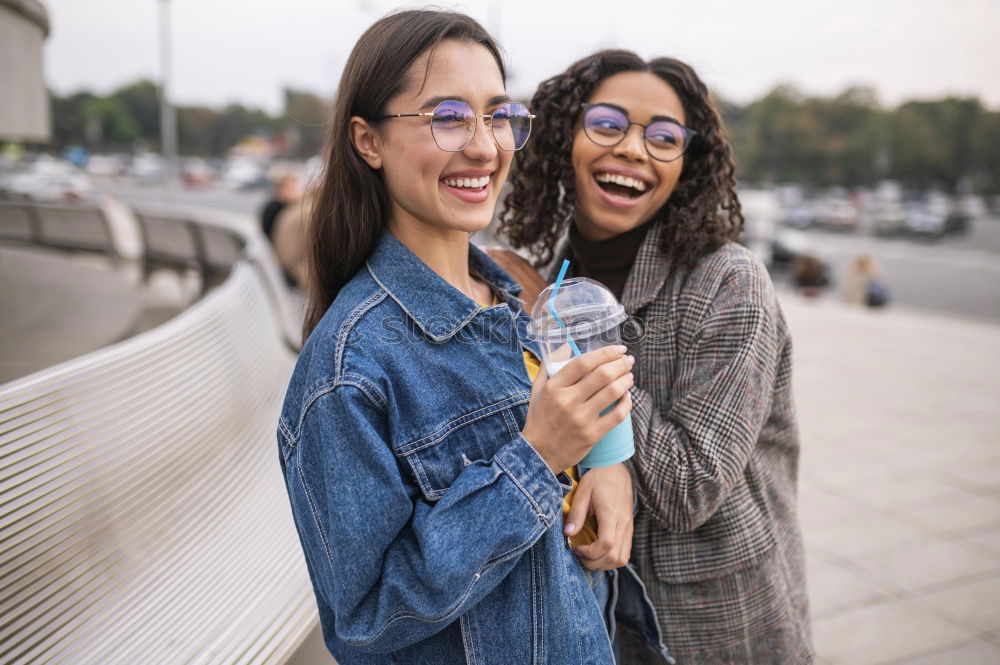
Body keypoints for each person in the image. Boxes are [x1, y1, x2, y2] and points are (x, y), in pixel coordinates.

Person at [276, 12, 671, 665]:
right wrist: (536, 458)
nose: (487, 147)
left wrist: (604, 461)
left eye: (497, 114)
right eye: (449, 117)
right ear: (367, 140)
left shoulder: (510, 301)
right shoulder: (348, 370)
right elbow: (365, 621)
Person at [499, 50, 814, 664]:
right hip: (598, 614)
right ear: (566, 139)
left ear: (685, 165)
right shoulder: (553, 273)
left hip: (716, 623)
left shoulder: (730, 282)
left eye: (664, 137)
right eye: (608, 125)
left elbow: (689, 486)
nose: (635, 149)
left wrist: (568, 329)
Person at [259, 171, 303, 243]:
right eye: (292, 187)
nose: (297, 190)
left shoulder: (289, 206)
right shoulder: (275, 208)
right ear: (281, 188)